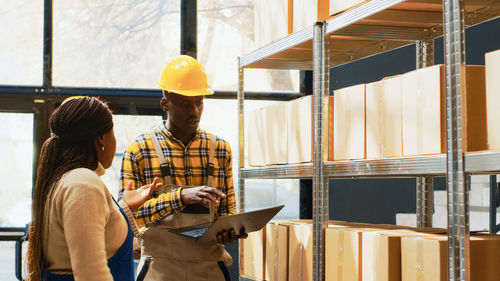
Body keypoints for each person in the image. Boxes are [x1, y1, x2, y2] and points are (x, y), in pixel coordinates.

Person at [119, 55, 246, 281]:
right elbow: (127, 217)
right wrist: (180, 197)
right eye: (186, 104)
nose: (195, 111)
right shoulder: (139, 150)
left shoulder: (220, 149)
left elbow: (228, 210)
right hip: (159, 271)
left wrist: (229, 231)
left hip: (210, 270)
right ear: (165, 104)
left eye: (199, 102)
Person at [26, 96, 162, 281]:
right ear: (102, 139)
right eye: (114, 134)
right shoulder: (83, 184)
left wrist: (124, 209)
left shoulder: (69, 179)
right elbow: (91, 274)